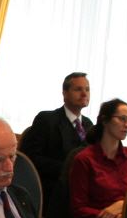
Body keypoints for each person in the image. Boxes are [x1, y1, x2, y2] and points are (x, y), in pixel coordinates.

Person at [18, 71, 94, 206]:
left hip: (82, 189)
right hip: (53, 189)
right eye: (78, 89)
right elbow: (31, 158)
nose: (84, 94)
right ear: (65, 93)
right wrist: (70, 169)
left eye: (87, 89)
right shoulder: (47, 119)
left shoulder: (88, 124)